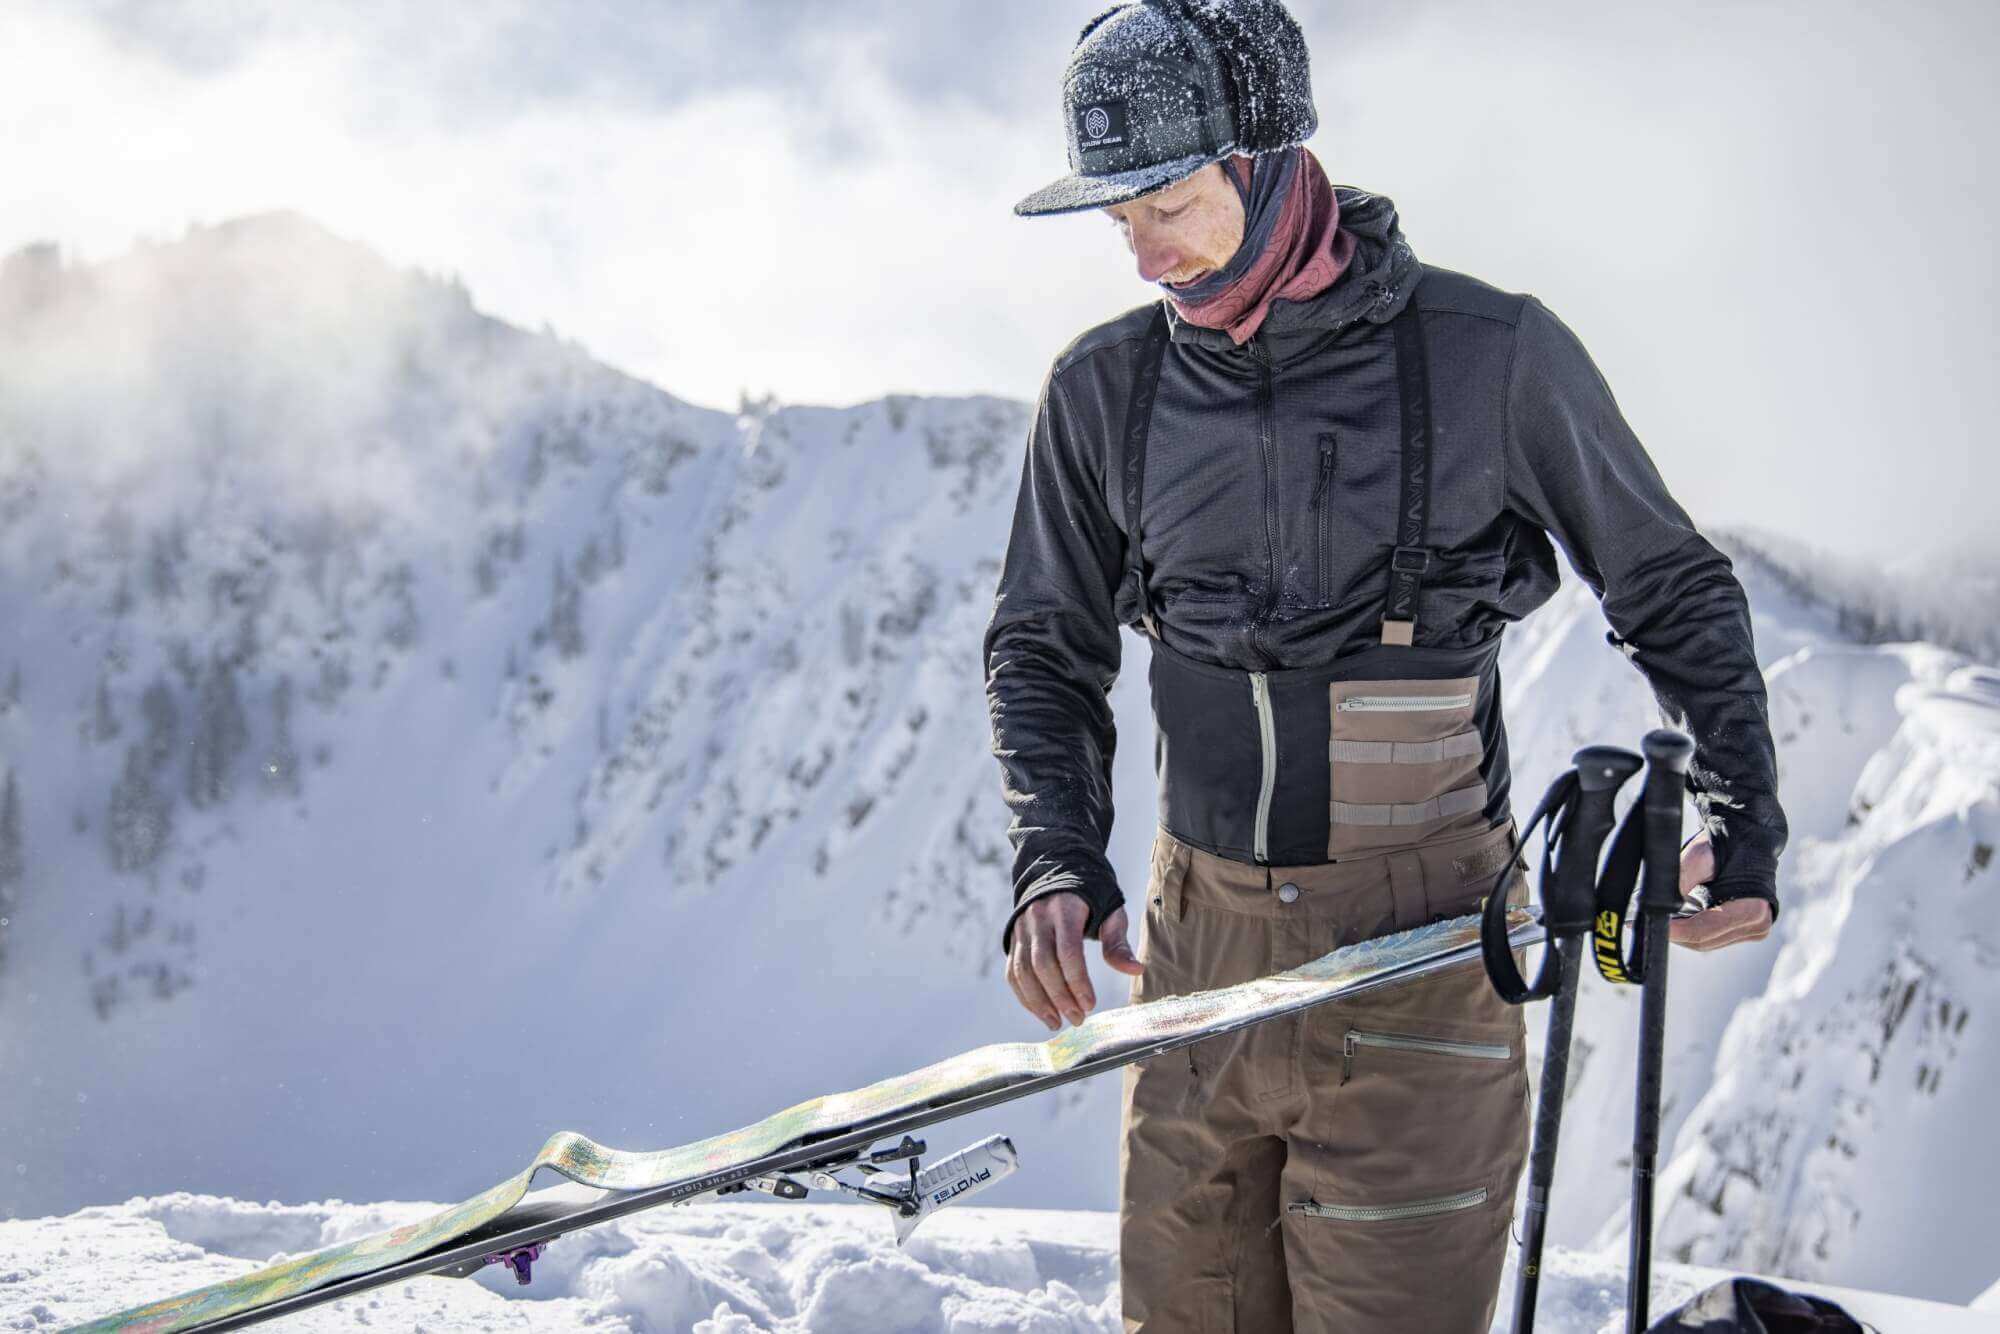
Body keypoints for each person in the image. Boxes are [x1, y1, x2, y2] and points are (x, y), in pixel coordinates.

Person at [979, 2, 1787, 1331]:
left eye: (1168, 204)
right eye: (1119, 221)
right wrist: (1056, 858)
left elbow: (1669, 581)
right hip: (1199, 968)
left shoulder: (1492, 359)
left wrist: (1741, 817)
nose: (1144, 255)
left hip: (1422, 963)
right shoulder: (1103, 394)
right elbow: (1041, 643)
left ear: (1268, 159)